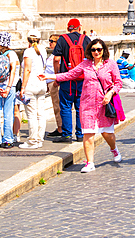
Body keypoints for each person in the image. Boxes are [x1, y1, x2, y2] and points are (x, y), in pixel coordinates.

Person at [46, 38, 123, 172]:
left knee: (107, 133)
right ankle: (90, 163)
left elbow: (118, 83)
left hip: (104, 104)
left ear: (103, 50)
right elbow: (70, 74)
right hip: (87, 104)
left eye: (99, 49)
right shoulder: (85, 64)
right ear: (90, 51)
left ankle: (114, 149)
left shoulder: (110, 64)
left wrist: (110, 93)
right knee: (88, 133)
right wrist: (50, 76)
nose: (96, 52)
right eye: (93, 50)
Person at [52, 18, 91, 142]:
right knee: (80, 107)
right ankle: (80, 135)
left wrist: (57, 75)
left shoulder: (62, 39)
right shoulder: (86, 39)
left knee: (65, 106)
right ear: (79, 27)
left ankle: (67, 134)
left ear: (68, 27)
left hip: (67, 78)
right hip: (82, 78)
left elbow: (57, 59)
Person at [19, 31, 49, 149]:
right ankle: (39, 138)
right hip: (41, 83)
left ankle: (33, 140)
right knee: (40, 113)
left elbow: (27, 70)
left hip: (31, 84)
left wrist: (23, 87)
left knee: (31, 114)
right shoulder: (43, 50)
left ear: (28, 40)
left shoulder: (28, 51)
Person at [44, 35, 63, 138]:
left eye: (52, 41)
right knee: (55, 105)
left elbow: (58, 67)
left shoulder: (58, 55)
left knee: (57, 106)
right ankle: (60, 127)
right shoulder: (52, 54)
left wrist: (56, 79)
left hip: (55, 82)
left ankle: (61, 128)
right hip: (50, 82)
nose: (49, 43)